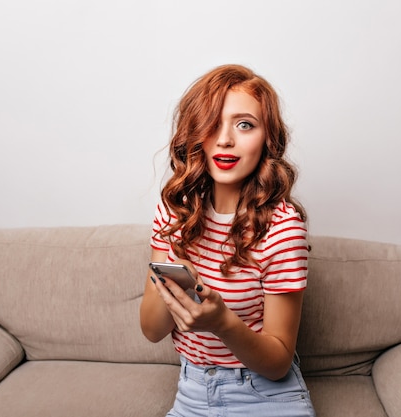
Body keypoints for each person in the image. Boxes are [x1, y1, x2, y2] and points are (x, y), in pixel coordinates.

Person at [140, 64, 315, 417]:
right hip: (192, 392)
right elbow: (151, 330)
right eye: (213, 123)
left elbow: (279, 361)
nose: (225, 139)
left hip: (264, 395)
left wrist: (222, 323)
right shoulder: (175, 211)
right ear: (195, 134)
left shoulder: (283, 228)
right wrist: (175, 264)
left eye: (244, 124)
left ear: (267, 138)